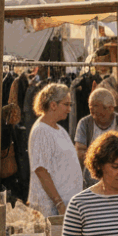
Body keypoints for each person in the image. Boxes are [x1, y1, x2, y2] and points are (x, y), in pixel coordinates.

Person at [28, 83, 81, 216]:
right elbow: (41, 170)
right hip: (52, 208)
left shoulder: (59, 130)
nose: (69, 109)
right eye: (66, 104)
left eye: (70, 105)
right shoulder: (41, 131)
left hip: (66, 205)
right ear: (53, 105)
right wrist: (59, 203)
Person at [75, 87, 118, 185]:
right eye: (90, 106)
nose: (92, 109)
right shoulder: (85, 123)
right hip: (91, 180)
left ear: (110, 108)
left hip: (117, 178)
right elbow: (80, 151)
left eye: (96, 106)